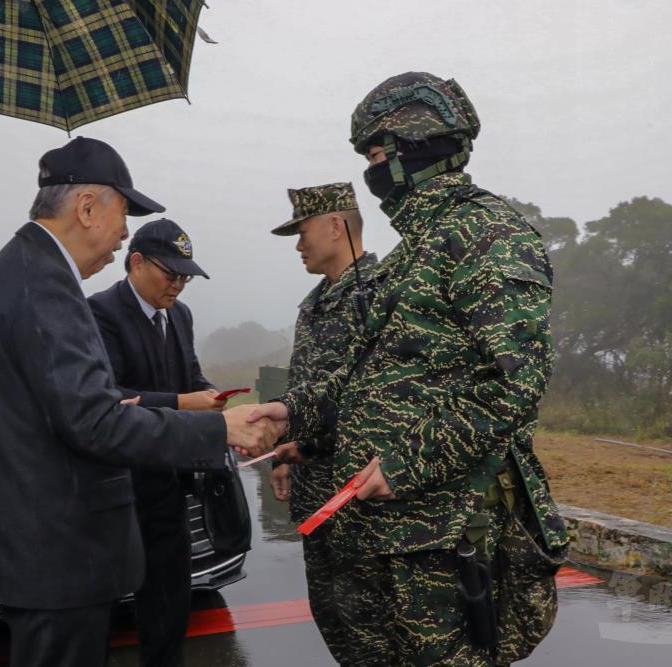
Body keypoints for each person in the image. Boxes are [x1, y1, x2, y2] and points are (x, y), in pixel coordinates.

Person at [249, 73, 569, 666]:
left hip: (444, 535)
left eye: (375, 154)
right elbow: (366, 373)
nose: (372, 174)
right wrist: (296, 411)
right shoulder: (411, 251)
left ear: (415, 148)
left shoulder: (486, 232)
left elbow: (513, 382)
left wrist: (405, 464)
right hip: (385, 532)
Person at [0, 137, 281, 667]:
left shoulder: (30, 270)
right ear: (87, 207)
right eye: (123, 215)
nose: (124, 234)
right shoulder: (43, 283)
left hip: (53, 543)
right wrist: (220, 429)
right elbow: (94, 419)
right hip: (54, 547)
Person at [89, 217, 223, 667]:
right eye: (171, 274)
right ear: (137, 262)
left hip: (169, 481)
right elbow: (108, 398)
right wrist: (185, 403)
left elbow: (191, 373)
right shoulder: (99, 312)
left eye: (186, 276)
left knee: (169, 597)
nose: (179, 285)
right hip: (117, 487)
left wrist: (214, 398)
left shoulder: (179, 315)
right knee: (101, 603)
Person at [267, 182, 379, 665]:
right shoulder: (312, 305)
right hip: (318, 499)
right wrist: (288, 451)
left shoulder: (380, 293)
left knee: (373, 626)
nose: (298, 245)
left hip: (363, 500)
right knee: (332, 614)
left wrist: (308, 447)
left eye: (303, 231)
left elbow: (374, 400)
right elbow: (303, 383)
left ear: (336, 226)